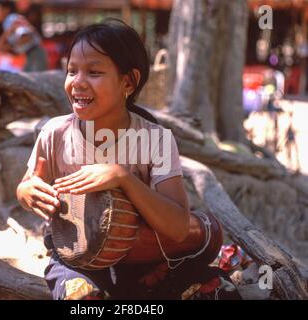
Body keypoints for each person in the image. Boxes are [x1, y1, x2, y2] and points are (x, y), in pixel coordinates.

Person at [16, 19, 241, 300]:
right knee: (82, 297)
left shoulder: (154, 139)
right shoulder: (55, 133)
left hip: (147, 260)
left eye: (94, 72)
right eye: (72, 71)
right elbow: (28, 184)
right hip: (78, 262)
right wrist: (26, 191)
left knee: (218, 292)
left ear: (128, 82)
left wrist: (124, 177)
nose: (78, 82)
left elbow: (178, 227)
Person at [0, 0, 47, 72]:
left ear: (6, 10)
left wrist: (13, 47)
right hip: (30, 55)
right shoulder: (7, 23)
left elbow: (25, 36)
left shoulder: (12, 19)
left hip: (35, 55)